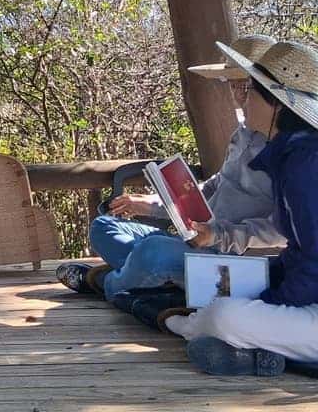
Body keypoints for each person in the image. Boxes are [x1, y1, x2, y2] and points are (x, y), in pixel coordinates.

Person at [56, 35, 286, 325]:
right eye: (232, 83)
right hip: (195, 238)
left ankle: (106, 284)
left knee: (152, 252)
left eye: (245, 85)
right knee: (104, 227)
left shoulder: (291, 153)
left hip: (234, 257)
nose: (238, 94)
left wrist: (219, 235)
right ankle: (158, 280)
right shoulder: (242, 134)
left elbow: (284, 230)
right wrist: (151, 205)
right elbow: (213, 187)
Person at [165, 40, 318, 378]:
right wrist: (266, 287)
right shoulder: (291, 155)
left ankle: (206, 329)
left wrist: (269, 303)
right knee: (229, 301)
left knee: (225, 316)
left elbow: (315, 259)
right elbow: (299, 253)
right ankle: (259, 352)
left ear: (277, 104)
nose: (244, 99)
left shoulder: (305, 164)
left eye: (252, 91)